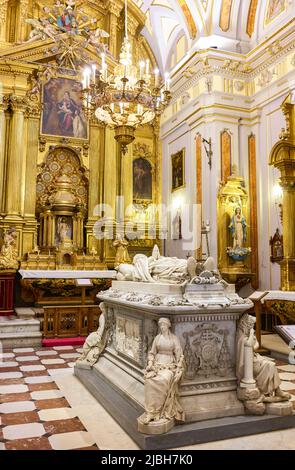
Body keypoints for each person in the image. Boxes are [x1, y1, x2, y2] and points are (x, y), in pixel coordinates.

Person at [236, 314, 291, 401]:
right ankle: (276, 390)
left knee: (270, 364)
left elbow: (256, 344)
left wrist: (252, 340)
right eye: (250, 325)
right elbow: (249, 345)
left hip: (255, 358)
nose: (252, 328)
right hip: (249, 363)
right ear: (245, 325)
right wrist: (251, 335)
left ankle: (277, 390)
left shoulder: (248, 336)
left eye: (253, 326)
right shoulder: (242, 338)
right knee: (270, 365)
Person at [142, 317, 185, 424]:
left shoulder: (174, 338)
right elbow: (152, 353)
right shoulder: (157, 338)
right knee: (150, 380)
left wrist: (179, 367)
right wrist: (150, 363)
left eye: (164, 325)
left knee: (163, 380)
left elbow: (180, 355)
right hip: (157, 364)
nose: (162, 327)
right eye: (160, 325)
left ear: (168, 326)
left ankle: (159, 411)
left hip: (170, 365)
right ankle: (151, 412)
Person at [76, 303, 108, 367]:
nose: (101, 309)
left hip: (99, 334)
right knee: (88, 342)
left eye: (101, 308)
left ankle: (84, 356)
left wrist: (98, 336)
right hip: (99, 334)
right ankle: (84, 356)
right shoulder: (104, 315)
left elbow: (102, 328)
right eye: (101, 308)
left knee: (88, 342)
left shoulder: (103, 316)